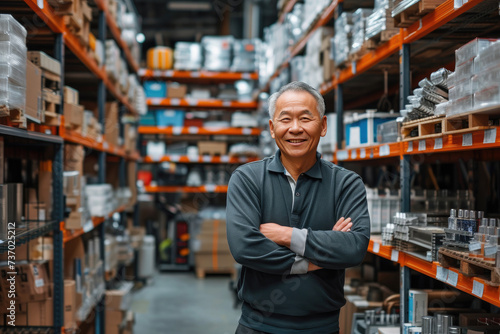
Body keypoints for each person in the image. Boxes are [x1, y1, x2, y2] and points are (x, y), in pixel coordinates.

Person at [226, 81, 371, 334]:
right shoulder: (247, 179)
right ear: (272, 128)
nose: (295, 129)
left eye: (306, 118)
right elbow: (244, 246)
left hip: (321, 327)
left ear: (323, 125)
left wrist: (287, 236)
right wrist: (315, 260)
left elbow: (354, 248)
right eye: (285, 120)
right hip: (257, 326)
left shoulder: (346, 183)